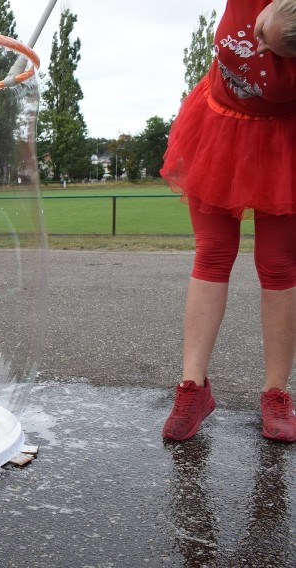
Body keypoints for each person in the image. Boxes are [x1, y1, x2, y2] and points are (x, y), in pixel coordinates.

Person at [161, 0, 296, 442]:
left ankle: (276, 394)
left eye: (274, 51)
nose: (257, 46)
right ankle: (193, 389)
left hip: (282, 140)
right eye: (261, 30)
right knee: (213, 253)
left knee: (278, 264)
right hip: (216, 126)